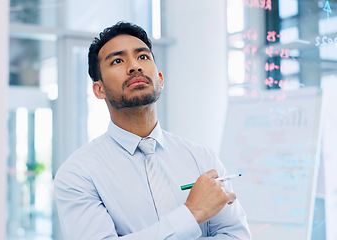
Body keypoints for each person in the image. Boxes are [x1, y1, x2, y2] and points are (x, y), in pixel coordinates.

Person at [54, 21, 251, 240]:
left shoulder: (202, 158)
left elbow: (236, 235)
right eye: (118, 60)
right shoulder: (78, 174)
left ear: (160, 79)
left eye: (143, 57)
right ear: (99, 89)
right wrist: (192, 213)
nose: (135, 66)